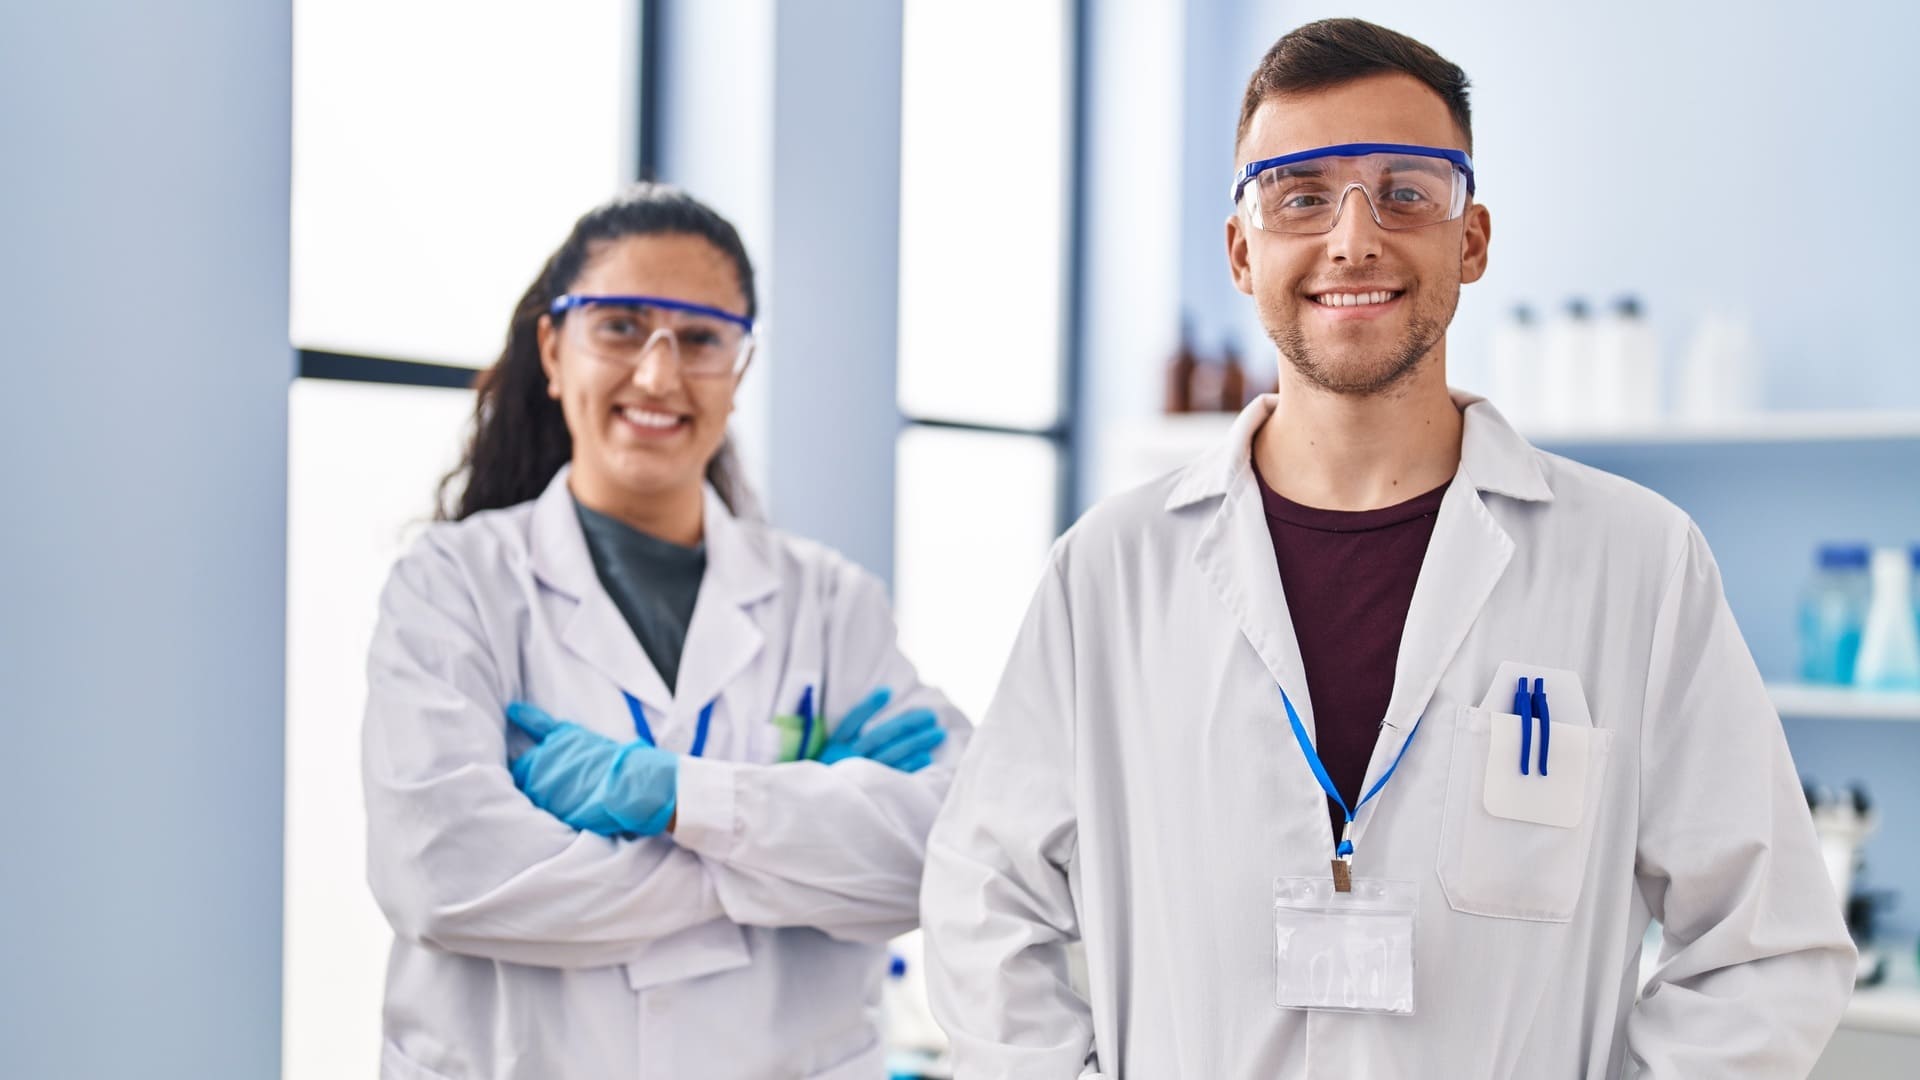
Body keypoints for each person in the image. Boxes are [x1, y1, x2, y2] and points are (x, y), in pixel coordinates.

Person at [920, 18, 1853, 1078]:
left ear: (1472, 240)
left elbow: (1769, 947)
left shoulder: (1639, 564)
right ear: (1242, 252)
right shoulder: (1109, 572)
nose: (1354, 239)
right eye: (1300, 195)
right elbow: (981, 902)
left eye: (1406, 192)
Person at [362, 183, 966, 1079]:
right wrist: (798, 835)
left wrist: (683, 798)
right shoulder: (452, 586)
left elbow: (953, 854)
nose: (658, 374)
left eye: (700, 339)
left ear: (739, 370)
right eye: (620, 327)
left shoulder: (831, 603)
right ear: (553, 350)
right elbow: (443, 876)